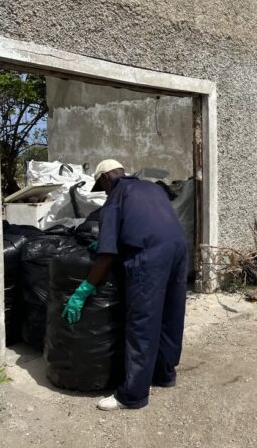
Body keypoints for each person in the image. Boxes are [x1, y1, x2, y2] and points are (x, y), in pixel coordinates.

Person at [62, 159, 188, 411]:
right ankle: (164, 375)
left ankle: (132, 395)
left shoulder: (115, 198)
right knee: (170, 315)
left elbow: (106, 254)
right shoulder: (152, 188)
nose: (104, 191)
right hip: (178, 249)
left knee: (142, 322)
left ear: (107, 178)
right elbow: (145, 223)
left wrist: (85, 288)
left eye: (102, 185)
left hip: (149, 256)